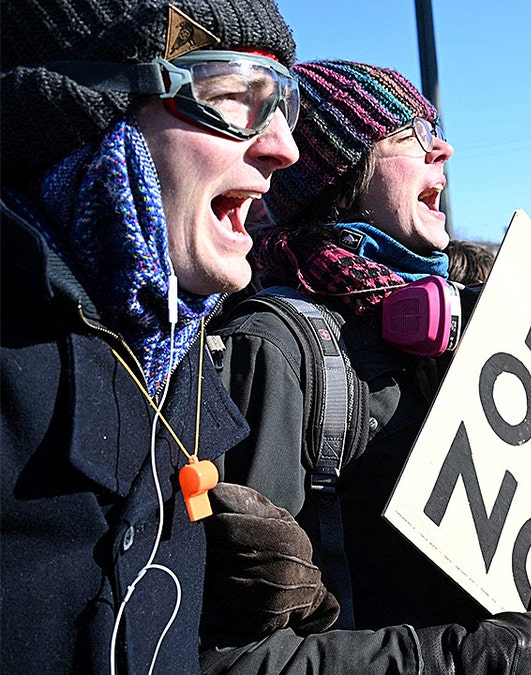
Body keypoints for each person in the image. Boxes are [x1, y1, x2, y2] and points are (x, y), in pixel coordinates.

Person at [210, 59, 531, 669]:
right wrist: (456, 662)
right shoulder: (274, 348)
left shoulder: (472, 318)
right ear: (339, 170)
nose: (445, 146)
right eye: (410, 135)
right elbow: (234, 658)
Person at [0, 0, 307, 671]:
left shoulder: (178, 355)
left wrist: (214, 622)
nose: (284, 147)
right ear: (89, 106)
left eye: (288, 104)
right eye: (232, 96)